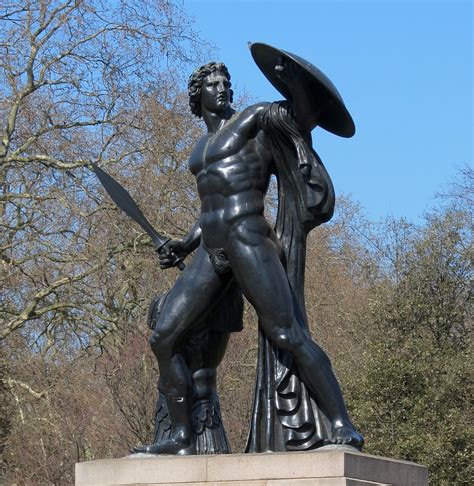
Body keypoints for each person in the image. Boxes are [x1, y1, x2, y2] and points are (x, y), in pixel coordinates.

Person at [144, 59, 363, 455]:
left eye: (226, 82)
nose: (222, 88)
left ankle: (342, 423)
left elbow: (301, 116)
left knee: (288, 333)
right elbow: (209, 208)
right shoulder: (199, 149)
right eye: (213, 84)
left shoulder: (253, 119)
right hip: (211, 249)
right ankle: (181, 436)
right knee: (164, 338)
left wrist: (294, 80)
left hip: (248, 237)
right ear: (198, 95)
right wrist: (185, 243)